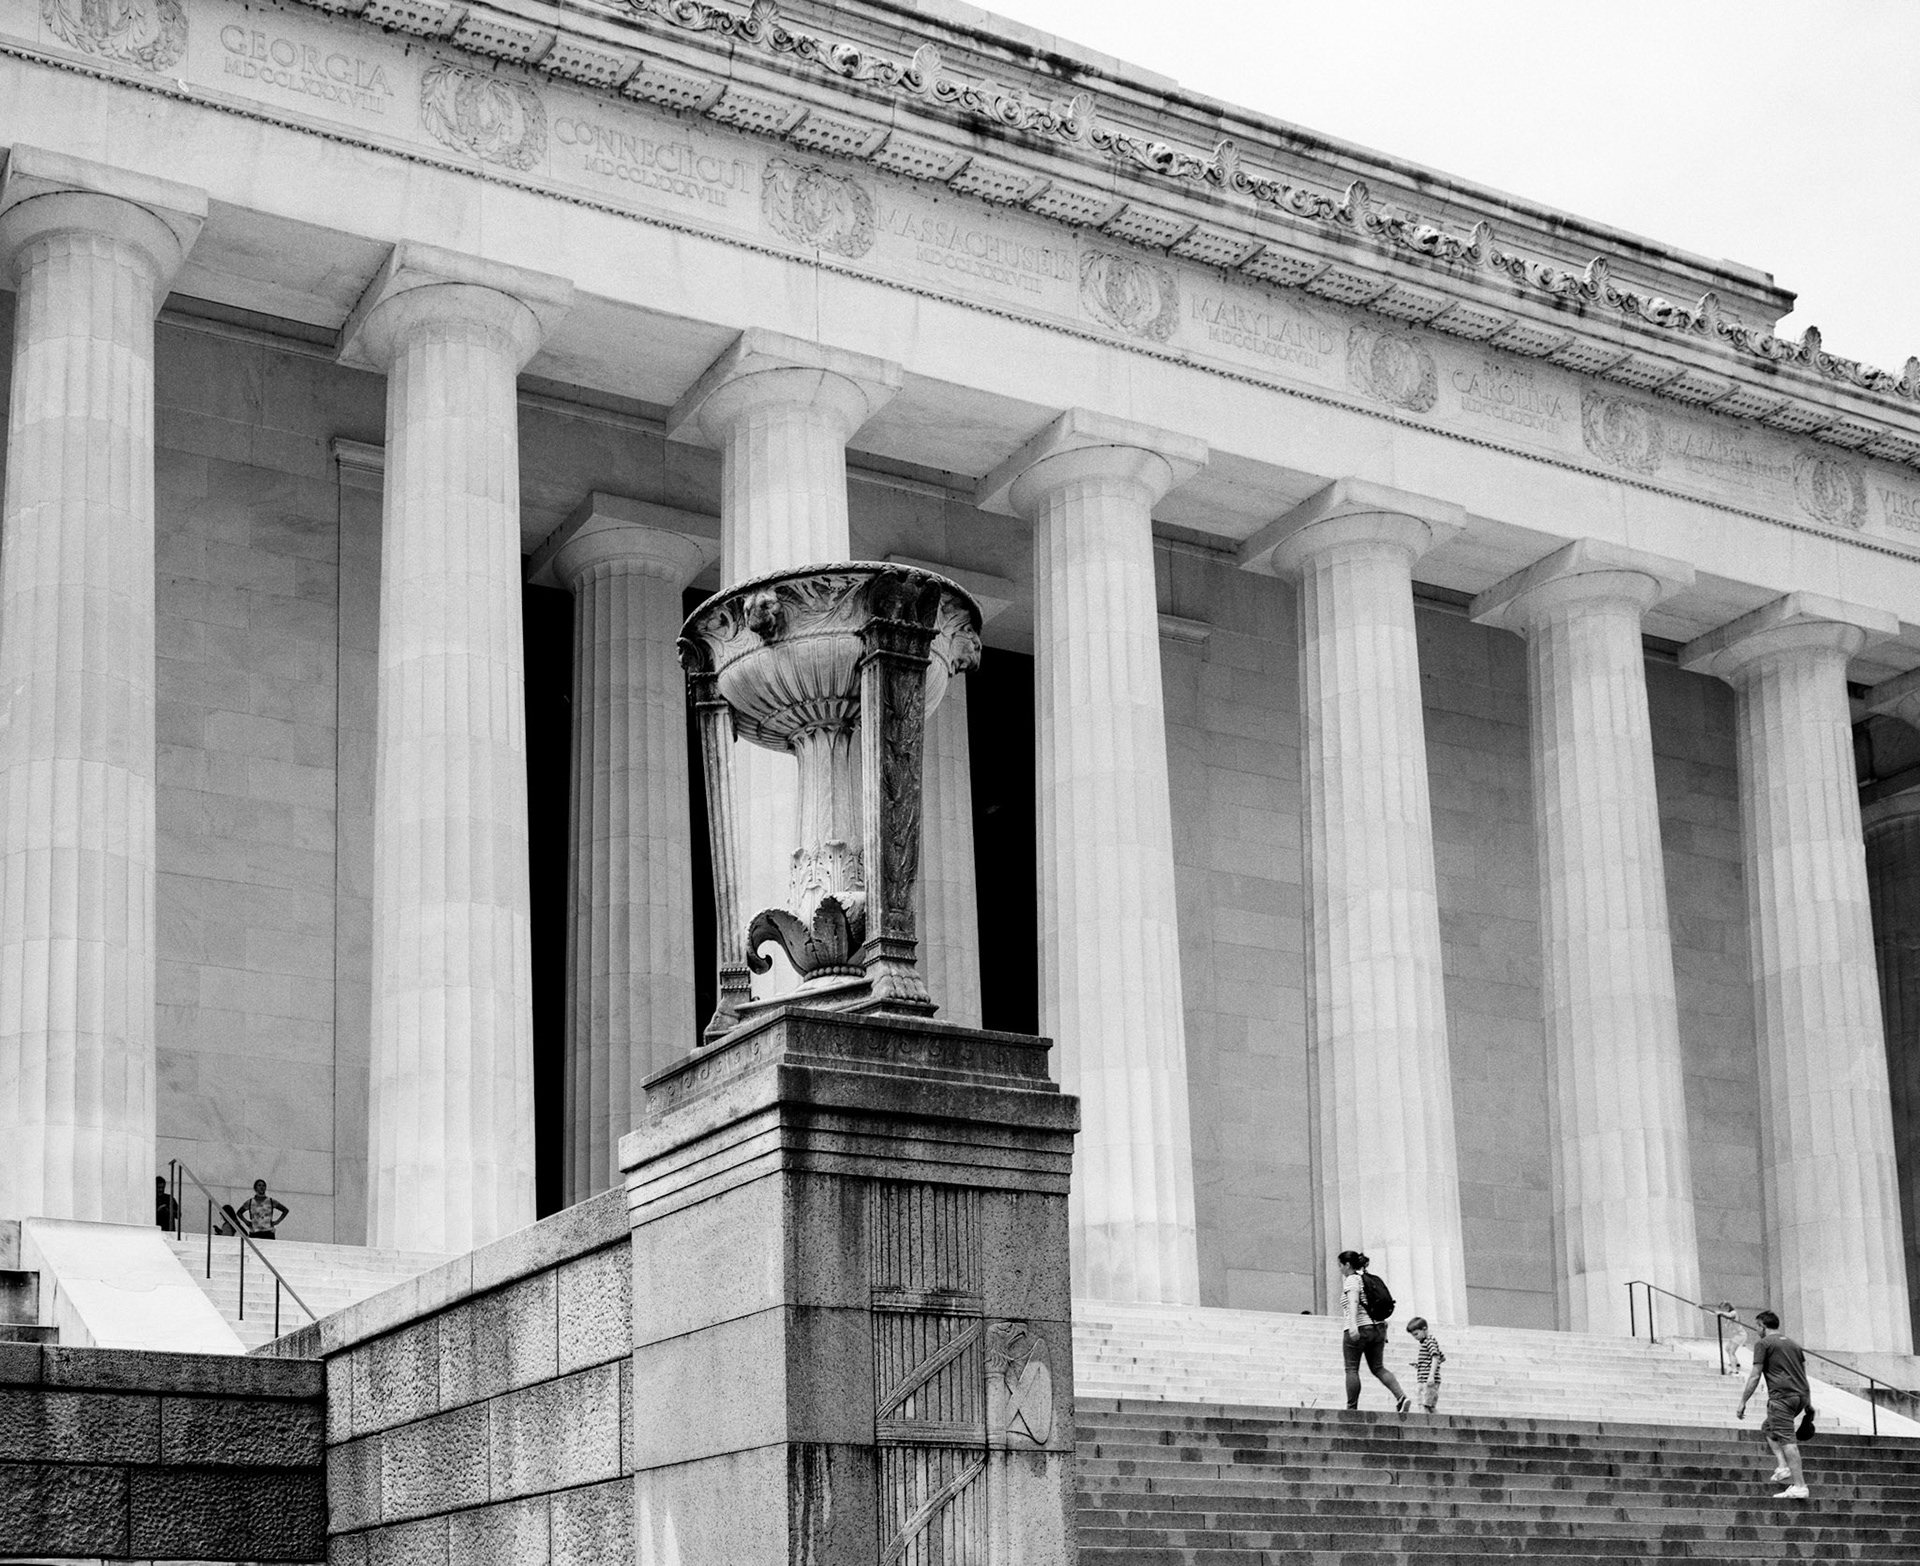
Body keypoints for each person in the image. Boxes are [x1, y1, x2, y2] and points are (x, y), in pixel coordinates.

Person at [1736, 1308, 1813, 1500]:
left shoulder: (1764, 1344)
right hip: (1799, 1396)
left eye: (1757, 1326)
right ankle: (1782, 1467)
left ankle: (1800, 1485)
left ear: (1762, 1326)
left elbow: (1755, 1375)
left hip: (1782, 1398)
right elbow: (1803, 1374)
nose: (1756, 1330)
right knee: (1768, 1428)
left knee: (1788, 1442)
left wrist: (1743, 1401)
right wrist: (1808, 1403)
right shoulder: (1794, 1345)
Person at [1338, 1249, 1410, 1413]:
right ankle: (1401, 1397)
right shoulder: (1369, 1279)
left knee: (1351, 1369)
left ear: (1348, 1265)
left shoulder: (1352, 1280)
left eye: (1341, 1265)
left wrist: (1353, 1325)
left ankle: (1351, 1408)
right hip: (1378, 1329)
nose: (1340, 1269)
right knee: (1378, 1367)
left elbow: (1353, 1301)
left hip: (1360, 1328)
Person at [1407, 1316, 1445, 1413]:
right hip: (1426, 1378)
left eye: (1416, 1334)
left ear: (1424, 1329)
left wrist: (1431, 1375)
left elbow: (1436, 1357)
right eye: (1413, 1335)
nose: (1415, 1337)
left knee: (1423, 1405)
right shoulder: (1427, 1341)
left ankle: (1430, 1424)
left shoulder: (1429, 1341)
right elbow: (1441, 1357)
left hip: (1427, 1379)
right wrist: (1421, 1365)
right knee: (1429, 1405)